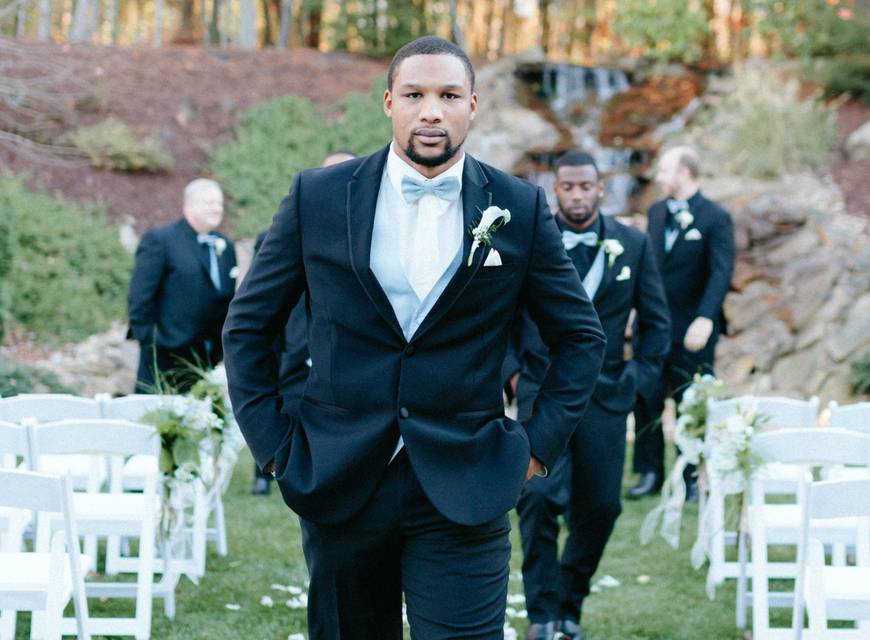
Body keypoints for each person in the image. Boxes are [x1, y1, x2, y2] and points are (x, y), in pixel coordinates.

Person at [222, 36, 605, 640]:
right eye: (415, 95)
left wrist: (535, 447)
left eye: (449, 95)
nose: (432, 110)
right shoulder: (317, 196)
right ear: (389, 103)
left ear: (472, 105)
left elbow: (581, 337)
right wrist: (273, 445)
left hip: (468, 478)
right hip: (340, 476)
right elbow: (248, 325)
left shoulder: (519, 207)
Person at [508, 150, 670, 640]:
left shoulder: (633, 245)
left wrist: (637, 381)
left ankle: (569, 605)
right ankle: (541, 615)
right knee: (535, 500)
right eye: (567, 187)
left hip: (606, 396)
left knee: (602, 507)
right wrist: (512, 375)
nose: (576, 195)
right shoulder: (531, 242)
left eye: (585, 186)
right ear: (554, 189)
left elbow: (657, 324)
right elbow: (500, 317)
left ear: (601, 189)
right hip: (542, 392)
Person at [627, 145, 735, 501]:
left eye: (664, 171)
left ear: (684, 173)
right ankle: (649, 473)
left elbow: (721, 273)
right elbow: (646, 267)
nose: (658, 178)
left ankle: (692, 476)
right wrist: (631, 310)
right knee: (646, 399)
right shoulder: (656, 212)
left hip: (693, 329)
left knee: (693, 402)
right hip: (652, 326)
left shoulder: (715, 217)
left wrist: (706, 317)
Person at [250, 150, 356, 496]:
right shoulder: (281, 230)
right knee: (287, 402)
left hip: (350, 350)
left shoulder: (375, 231)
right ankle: (266, 473)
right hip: (294, 336)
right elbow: (258, 306)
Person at [127, 178, 237, 392]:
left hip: (208, 357)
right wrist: (150, 342)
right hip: (165, 355)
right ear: (189, 205)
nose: (217, 209)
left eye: (220, 204)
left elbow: (226, 299)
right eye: (209, 203)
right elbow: (140, 297)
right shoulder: (161, 241)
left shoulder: (226, 247)